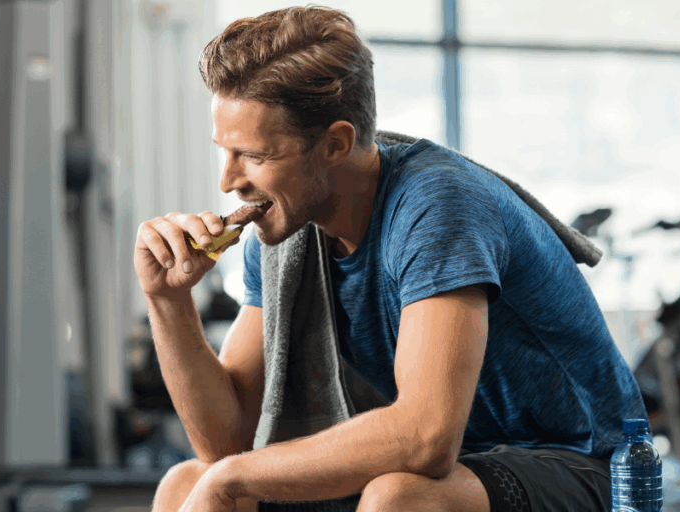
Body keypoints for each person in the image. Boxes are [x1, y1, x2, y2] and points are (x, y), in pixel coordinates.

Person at [134, 6, 646, 512]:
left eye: (256, 157)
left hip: (590, 467)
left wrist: (234, 477)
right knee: (187, 482)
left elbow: (425, 438)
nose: (228, 181)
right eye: (225, 152)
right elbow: (227, 444)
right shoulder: (285, 233)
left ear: (335, 143)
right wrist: (168, 299)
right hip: (458, 469)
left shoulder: (438, 206)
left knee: (399, 498)